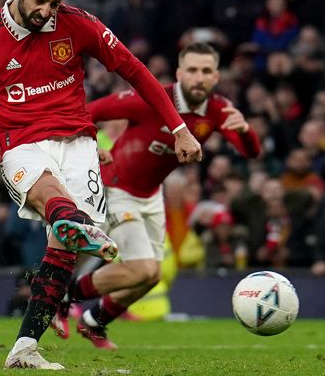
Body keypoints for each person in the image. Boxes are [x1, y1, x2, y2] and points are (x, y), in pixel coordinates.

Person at [0, 0, 202, 370]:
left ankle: (24, 348)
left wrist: (178, 127)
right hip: (22, 146)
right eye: (39, 0)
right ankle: (73, 221)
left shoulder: (77, 22)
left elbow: (135, 70)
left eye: (55, 2)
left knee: (63, 249)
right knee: (56, 204)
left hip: (80, 145)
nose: (46, 11)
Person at [51, 42, 261, 349]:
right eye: (192, 70)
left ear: (216, 76)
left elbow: (251, 152)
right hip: (117, 189)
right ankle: (63, 296)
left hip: (151, 195)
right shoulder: (150, 98)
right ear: (179, 73)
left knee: (151, 276)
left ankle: (95, 321)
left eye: (206, 71)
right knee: (142, 269)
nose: (198, 78)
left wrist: (245, 131)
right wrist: (92, 146)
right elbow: (89, 112)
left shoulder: (216, 110)